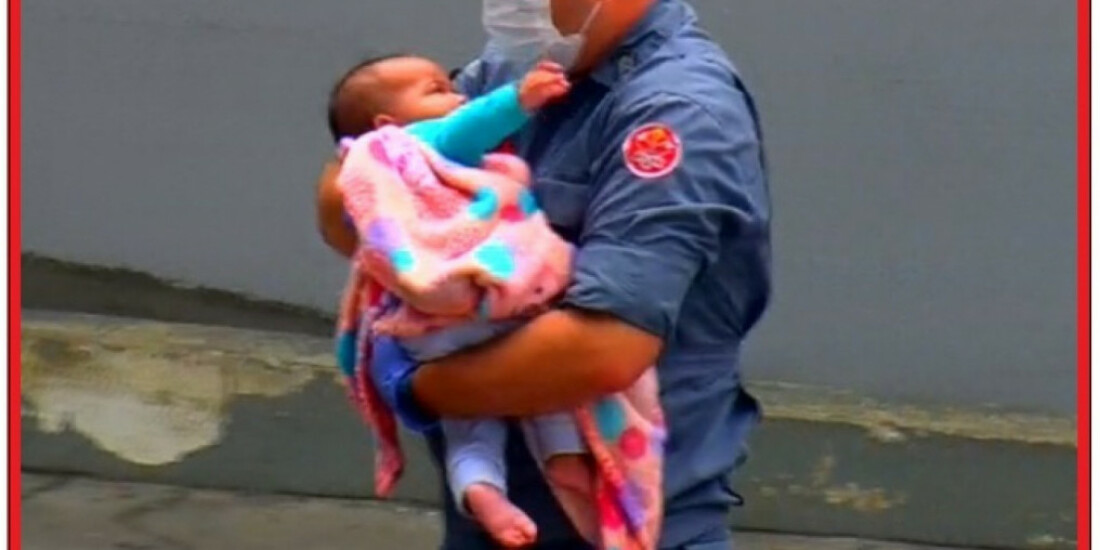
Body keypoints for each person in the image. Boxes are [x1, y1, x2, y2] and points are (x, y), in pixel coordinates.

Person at [316, 0, 771, 547]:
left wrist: (411, 387)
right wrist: (374, 168)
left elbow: (601, 350)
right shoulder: (519, 63)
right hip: (495, 516)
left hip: (628, 527)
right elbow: (358, 191)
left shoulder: (676, 112)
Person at [326, 56, 602, 547]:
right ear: (388, 123)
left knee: (470, 431)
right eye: (436, 90)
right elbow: (468, 128)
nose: (458, 97)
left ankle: (481, 492)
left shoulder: (363, 171)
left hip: (428, 331)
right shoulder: (409, 145)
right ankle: (565, 461)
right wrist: (520, 97)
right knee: (549, 392)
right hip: (480, 299)